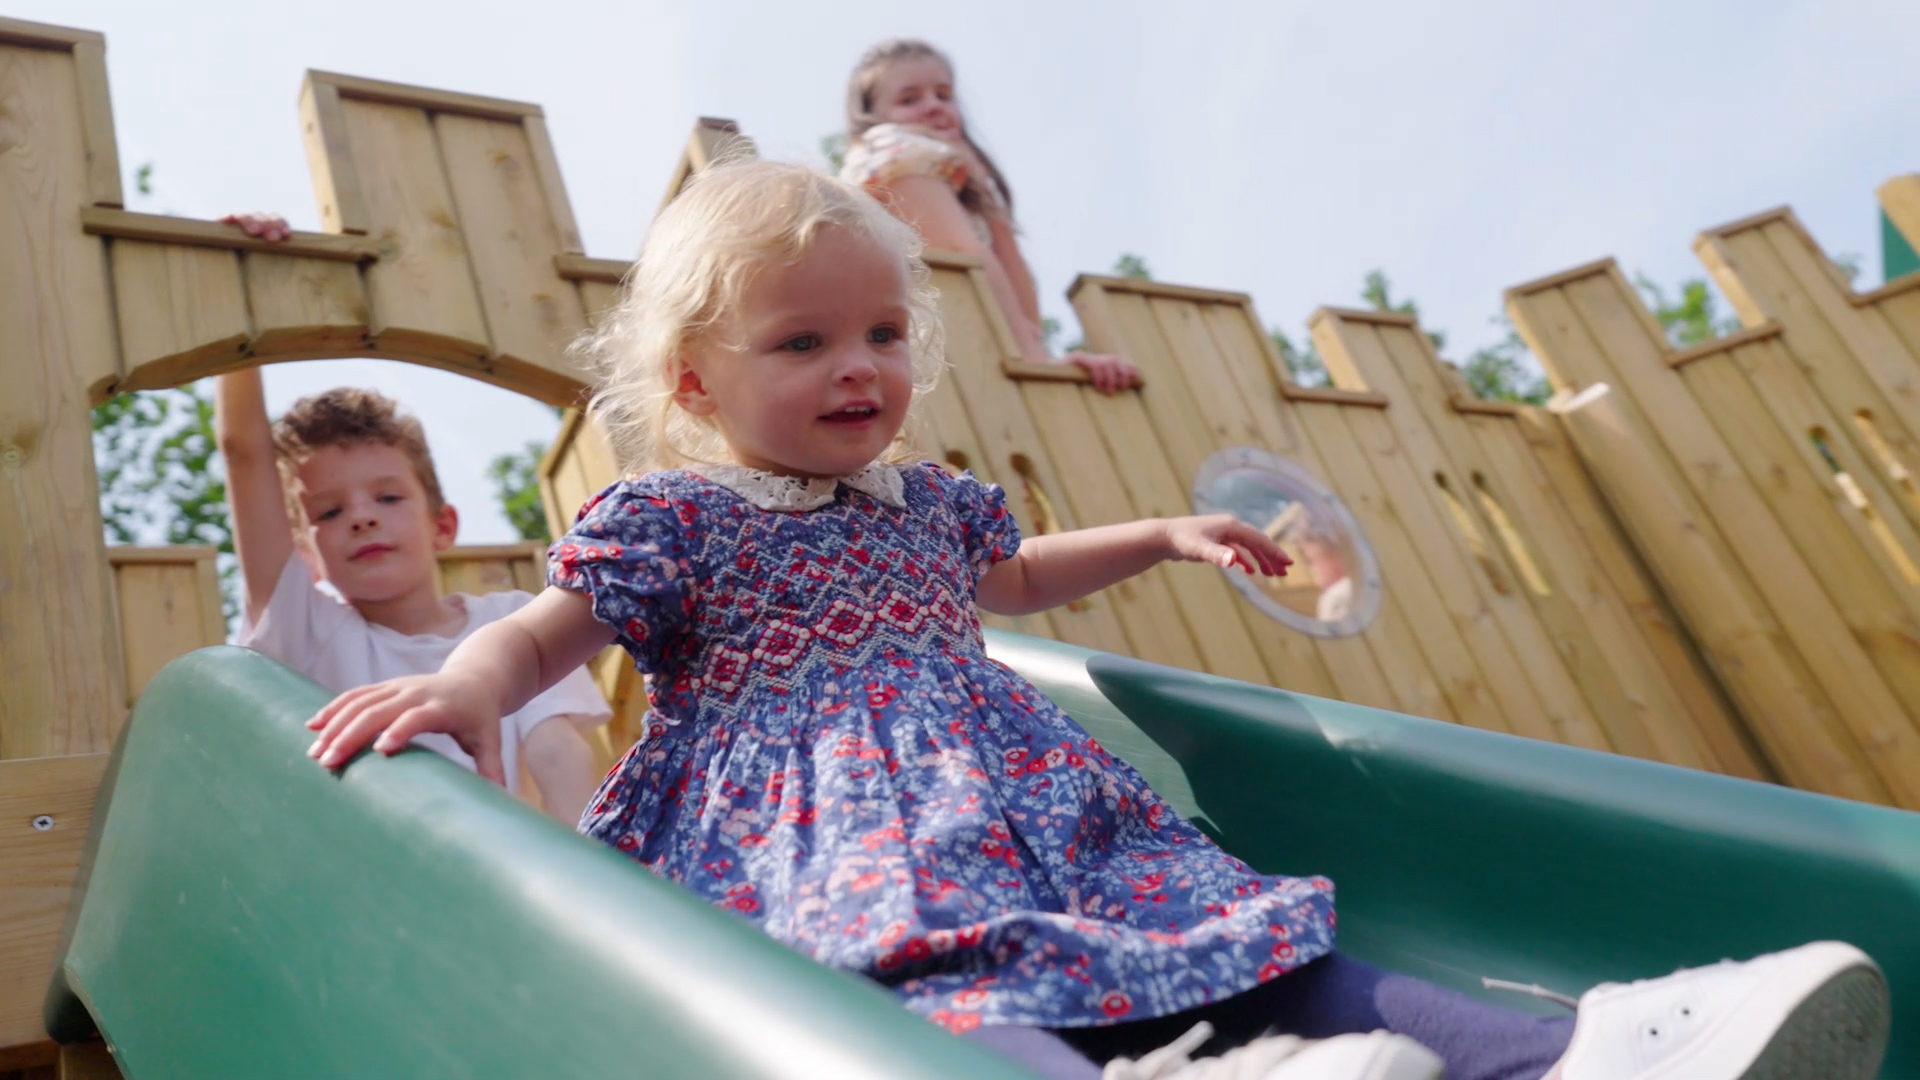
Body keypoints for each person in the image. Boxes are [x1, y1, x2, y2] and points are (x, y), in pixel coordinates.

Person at [301, 161, 1889, 1080]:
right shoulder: (678, 518)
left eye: (879, 332)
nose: (860, 366)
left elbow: (1018, 579)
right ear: (699, 388)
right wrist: (464, 684)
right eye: (805, 342)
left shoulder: (928, 507)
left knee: (1244, 934)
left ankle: (1578, 1055)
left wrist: (1171, 534)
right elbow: (551, 633)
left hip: (1028, 802)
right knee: (931, 1005)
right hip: (818, 836)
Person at [215, 366, 611, 825]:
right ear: (307, 553)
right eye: (330, 510)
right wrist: (244, 350)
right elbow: (242, 453)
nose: (362, 517)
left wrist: (579, 869)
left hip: (498, 869)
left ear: (441, 526)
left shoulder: (512, 620)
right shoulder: (307, 631)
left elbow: (559, 753)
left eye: (388, 498)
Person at [839, 39, 1140, 396]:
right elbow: (965, 256)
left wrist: (987, 196)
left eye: (944, 94)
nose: (934, 106)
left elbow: (1022, 304)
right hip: (936, 372)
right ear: (873, 115)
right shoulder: (893, 151)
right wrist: (1036, 363)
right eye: (910, 99)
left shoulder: (947, 172)